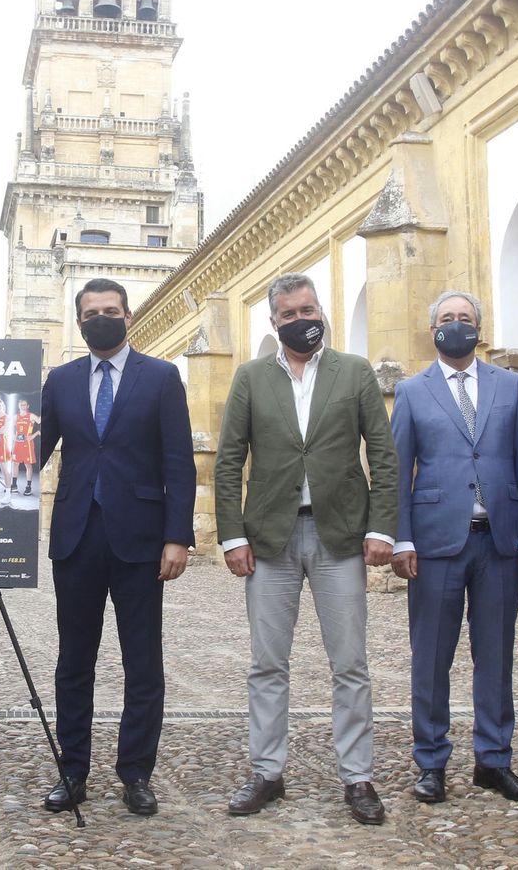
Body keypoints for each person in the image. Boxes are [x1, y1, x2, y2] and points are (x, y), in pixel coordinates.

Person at [213, 272, 397, 826]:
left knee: (350, 664)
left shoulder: (355, 372)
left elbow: (383, 456)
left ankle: (357, 777)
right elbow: (228, 460)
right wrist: (232, 535)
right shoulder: (250, 377)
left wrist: (382, 528)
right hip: (270, 539)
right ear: (275, 322)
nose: (302, 320)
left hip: (339, 534)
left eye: (308, 309)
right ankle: (267, 772)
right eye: (290, 314)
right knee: (267, 664)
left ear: (323, 312)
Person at [38, 277, 196, 816]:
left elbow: (179, 460)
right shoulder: (59, 381)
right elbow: (34, 452)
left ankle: (136, 773)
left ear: (127, 317)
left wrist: (179, 535)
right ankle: (72, 771)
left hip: (143, 540)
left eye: (111, 310)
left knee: (143, 663)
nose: (101, 318)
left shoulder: (161, 377)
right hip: (77, 536)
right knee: (73, 661)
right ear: (79, 322)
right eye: (90, 313)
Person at [389, 291, 518, 805]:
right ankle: (431, 761)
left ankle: (494, 760)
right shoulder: (413, 392)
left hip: (499, 541)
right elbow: (398, 471)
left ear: (480, 328)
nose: (456, 325)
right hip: (435, 543)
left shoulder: (510, 386)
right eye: (446, 319)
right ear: (431, 328)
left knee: (496, 654)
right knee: (431, 656)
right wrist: (401, 537)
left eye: (465, 319)